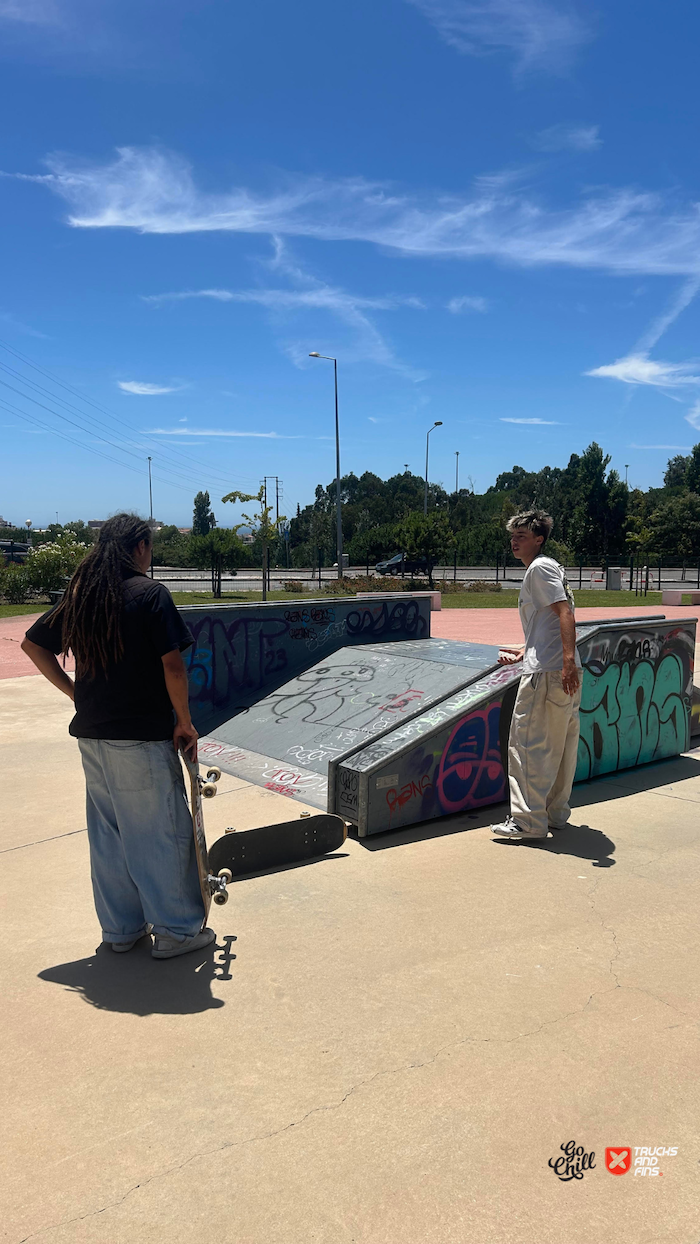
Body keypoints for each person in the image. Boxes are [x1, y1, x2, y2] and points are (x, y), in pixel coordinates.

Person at [21, 513, 214, 958]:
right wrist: (184, 722)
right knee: (158, 831)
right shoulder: (150, 595)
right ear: (140, 547)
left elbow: (33, 644)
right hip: (140, 736)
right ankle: (176, 931)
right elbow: (172, 666)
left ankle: (122, 929)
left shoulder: (86, 594)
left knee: (110, 834)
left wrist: (75, 694)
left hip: (92, 735)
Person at [491, 509, 581, 841]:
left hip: (549, 673)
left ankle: (528, 822)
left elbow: (564, 613)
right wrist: (525, 650)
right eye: (513, 536)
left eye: (522, 536)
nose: (514, 542)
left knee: (527, 745)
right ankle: (556, 814)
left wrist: (565, 661)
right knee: (561, 746)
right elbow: (548, 621)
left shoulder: (539, 568)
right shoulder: (552, 567)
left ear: (538, 539)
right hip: (559, 669)